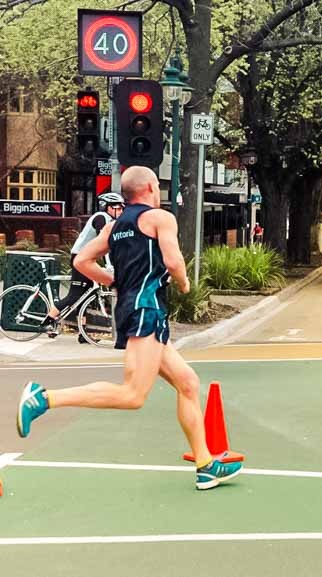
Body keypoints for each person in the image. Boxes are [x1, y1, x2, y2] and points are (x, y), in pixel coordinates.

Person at [15, 166, 242, 491]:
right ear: (151, 187)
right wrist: (184, 282)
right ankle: (44, 399)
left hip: (135, 308)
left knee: (188, 382)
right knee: (133, 395)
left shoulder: (114, 226)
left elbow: (81, 262)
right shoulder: (160, 219)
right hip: (145, 310)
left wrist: (117, 281)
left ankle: (205, 465)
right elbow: (175, 262)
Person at [39, 192, 125, 339]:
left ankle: (82, 333)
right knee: (75, 294)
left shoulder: (110, 221)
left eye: (122, 208)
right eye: (117, 208)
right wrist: (110, 266)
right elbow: (104, 245)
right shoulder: (101, 218)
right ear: (107, 208)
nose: (121, 211)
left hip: (88, 259)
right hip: (80, 259)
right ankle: (48, 320)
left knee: (86, 295)